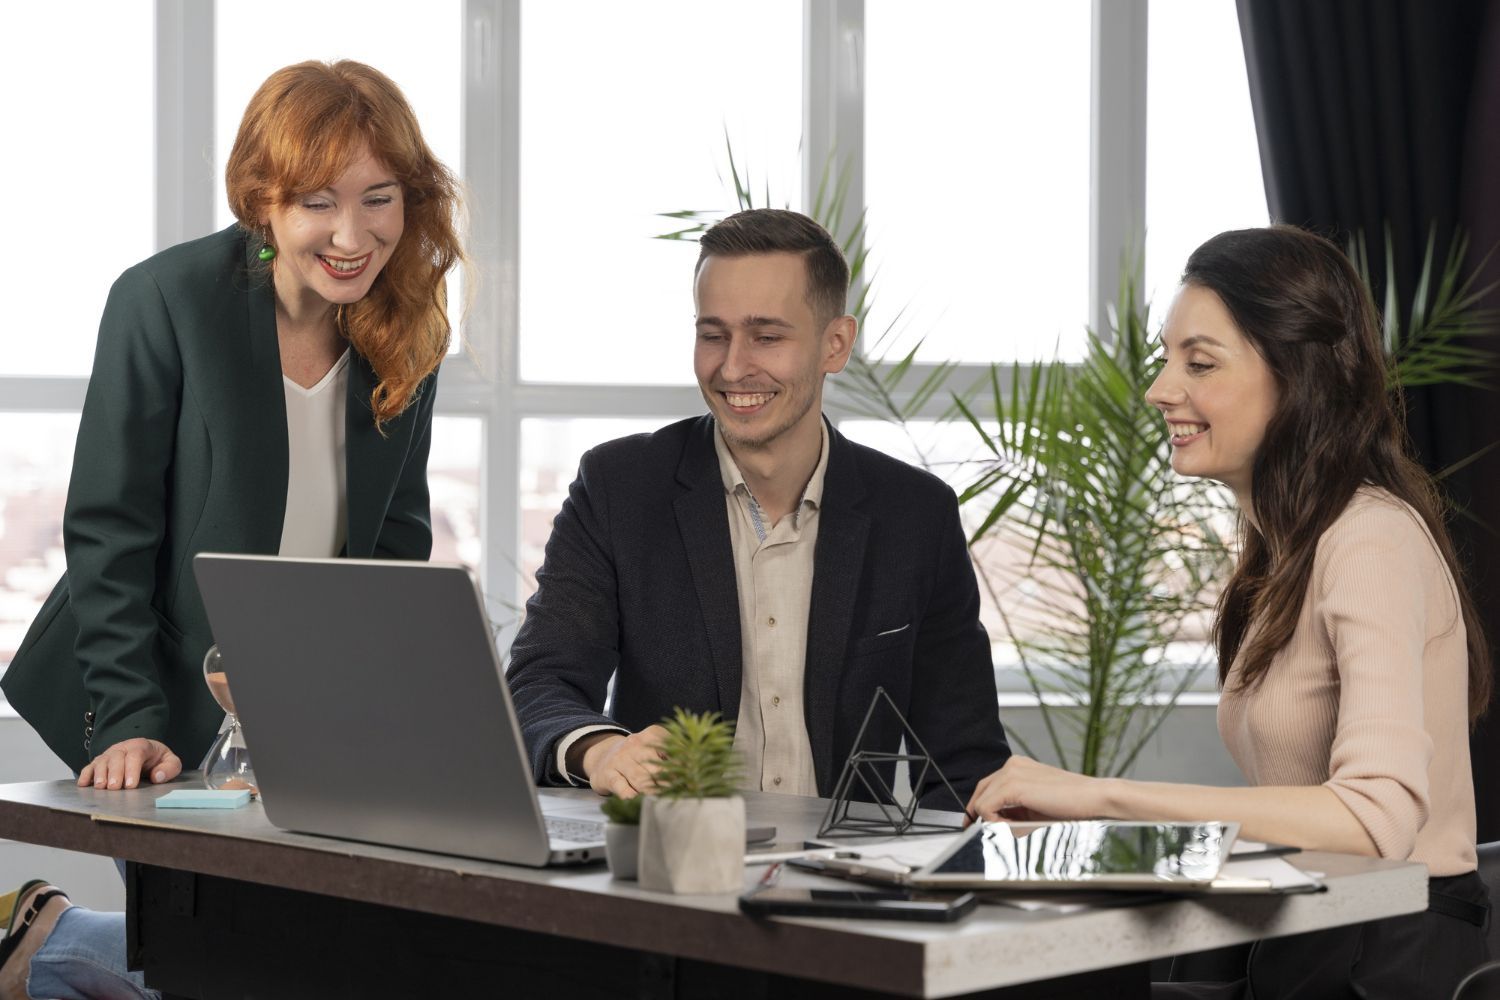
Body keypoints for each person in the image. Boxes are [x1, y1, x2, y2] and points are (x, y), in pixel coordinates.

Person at [0, 60, 465, 1000]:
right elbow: (109, 527)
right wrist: (129, 719)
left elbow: (393, 543)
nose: (352, 235)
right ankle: (49, 945)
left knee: (304, 965)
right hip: (153, 689)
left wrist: (376, 718)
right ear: (263, 198)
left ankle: (47, 938)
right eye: (318, 203)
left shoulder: (406, 318)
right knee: (226, 969)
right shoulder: (167, 300)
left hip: (305, 713)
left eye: (380, 199)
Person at [964, 225, 1492, 999]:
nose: (1160, 390)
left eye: (1200, 363)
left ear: (1296, 375)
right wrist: (1087, 829)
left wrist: (1098, 794)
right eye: (1167, 358)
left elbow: (1377, 819)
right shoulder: (1281, 552)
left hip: (1387, 958)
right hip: (1311, 938)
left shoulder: (1368, 538)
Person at [506, 208, 1011, 807]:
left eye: (767, 337)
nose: (732, 366)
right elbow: (539, 683)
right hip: (666, 876)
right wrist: (602, 750)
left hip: (845, 885)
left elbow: (962, 763)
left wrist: (937, 883)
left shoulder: (916, 515)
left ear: (836, 344)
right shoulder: (618, 487)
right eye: (712, 334)